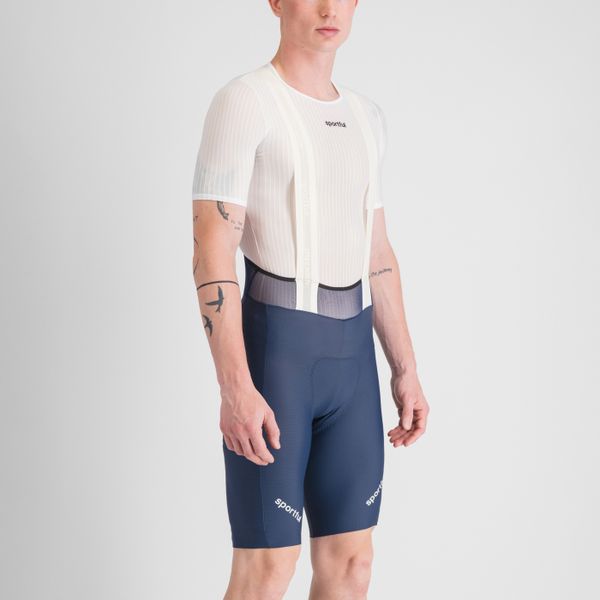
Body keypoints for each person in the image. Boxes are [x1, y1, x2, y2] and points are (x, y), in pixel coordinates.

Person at [191, 1, 429, 598]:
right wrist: (235, 386)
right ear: (275, 1)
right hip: (277, 359)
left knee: (352, 565)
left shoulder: (366, 116)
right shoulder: (245, 101)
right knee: (268, 566)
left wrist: (405, 369)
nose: (328, 8)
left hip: (353, 364)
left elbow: (377, 251)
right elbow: (212, 250)